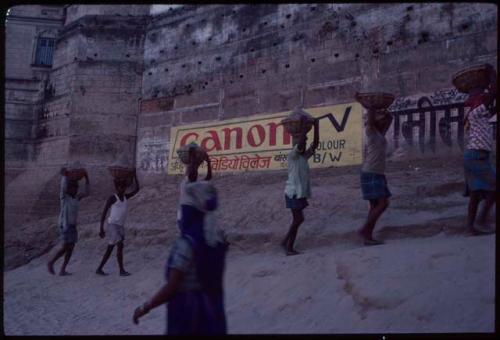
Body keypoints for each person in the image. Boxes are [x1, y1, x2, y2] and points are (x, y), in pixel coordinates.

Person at [133, 158, 228, 335]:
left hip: (188, 312)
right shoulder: (218, 241)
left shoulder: (186, 244)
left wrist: (145, 307)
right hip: (213, 312)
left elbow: (172, 287)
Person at [463, 64, 497, 235]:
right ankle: (482, 221)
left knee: (476, 195)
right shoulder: (477, 110)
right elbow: (493, 94)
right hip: (476, 156)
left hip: (475, 156)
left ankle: (471, 227)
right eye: (480, 94)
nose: (483, 95)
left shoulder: (479, 112)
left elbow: (493, 101)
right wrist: (492, 74)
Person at [281, 115, 319, 256]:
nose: (304, 143)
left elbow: (315, 144)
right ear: (296, 145)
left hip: (298, 192)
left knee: (298, 219)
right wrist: (304, 126)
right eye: (301, 142)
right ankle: (287, 246)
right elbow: (302, 143)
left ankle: (286, 243)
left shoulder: (303, 156)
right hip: (292, 192)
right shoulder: (293, 155)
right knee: (298, 219)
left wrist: (316, 127)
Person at [357, 108, 393, 246]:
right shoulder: (370, 131)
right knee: (383, 203)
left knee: (374, 207)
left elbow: (390, 118)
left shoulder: (379, 134)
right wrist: (371, 106)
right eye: (380, 119)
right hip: (371, 172)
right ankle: (364, 230)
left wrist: (384, 111)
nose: (383, 121)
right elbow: (371, 119)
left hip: (376, 172)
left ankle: (368, 237)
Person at [47, 166, 90, 275]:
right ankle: (51, 262)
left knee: (71, 248)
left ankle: (62, 269)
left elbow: (87, 192)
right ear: (69, 188)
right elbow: (63, 187)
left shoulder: (76, 198)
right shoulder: (64, 198)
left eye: (76, 188)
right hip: (65, 225)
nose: (75, 190)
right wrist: (64, 176)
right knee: (66, 246)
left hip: (72, 225)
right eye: (73, 188)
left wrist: (87, 178)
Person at [96, 171, 140, 276]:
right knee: (120, 244)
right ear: (116, 188)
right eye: (120, 187)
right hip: (112, 226)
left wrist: (135, 176)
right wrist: (101, 228)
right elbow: (104, 212)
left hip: (120, 226)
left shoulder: (125, 197)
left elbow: (137, 189)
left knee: (110, 248)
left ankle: (99, 269)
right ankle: (121, 270)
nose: (122, 189)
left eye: (123, 187)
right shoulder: (113, 198)